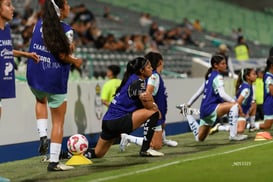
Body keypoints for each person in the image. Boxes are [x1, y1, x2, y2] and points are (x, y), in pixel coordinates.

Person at [26, 0, 82, 171]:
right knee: (58, 122)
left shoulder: (39, 23)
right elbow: (63, 55)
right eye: (67, 4)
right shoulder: (66, 30)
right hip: (55, 79)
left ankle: (42, 134)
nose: (69, 7)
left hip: (35, 75)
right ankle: (54, 161)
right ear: (61, 9)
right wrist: (75, 60)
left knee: (40, 99)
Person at [83, 57, 164, 159]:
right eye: (148, 67)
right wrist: (154, 106)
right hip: (119, 121)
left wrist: (151, 102)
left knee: (97, 153)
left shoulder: (130, 79)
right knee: (154, 113)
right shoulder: (138, 82)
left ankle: (70, 154)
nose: (151, 68)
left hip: (108, 121)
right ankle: (145, 149)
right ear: (141, 71)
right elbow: (148, 106)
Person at [119, 52, 177, 152]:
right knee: (155, 146)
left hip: (158, 109)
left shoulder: (153, 75)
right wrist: (153, 107)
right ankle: (128, 138)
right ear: (160, 62)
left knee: (161, 127)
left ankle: (162, 139)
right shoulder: (154, 76)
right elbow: (148, 93)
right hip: (153, 110)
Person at [183, 54, 246, 141]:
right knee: (234, 106)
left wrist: (188, 104)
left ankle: (188, 114)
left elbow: (198, 93)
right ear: (216, 65)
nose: (225, 65)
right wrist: (234, 102)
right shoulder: (218, 77)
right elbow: (222, 94)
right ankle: (233, 135)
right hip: (211, 108)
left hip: (204, 110)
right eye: (223, 64)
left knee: (199, 138)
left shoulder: (209, 77)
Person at [0, 0, 39, 120]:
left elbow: (5, 50)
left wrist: (26, 55)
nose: (13, 8)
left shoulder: (6, 29)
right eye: (8, 5)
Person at [235, 68, 257, 135]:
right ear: (247, 77)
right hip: (238, 113)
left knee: (254, 104)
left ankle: (252, 126)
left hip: (243, 112)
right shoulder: (246, 88)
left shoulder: (249, 85)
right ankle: (221, 127)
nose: (256, 76)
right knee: (240, 131)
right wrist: (241, 113)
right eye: (253, 74)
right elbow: (237, 103)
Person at [254, 57, 273, 130]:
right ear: (271, 65)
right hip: (270, 103)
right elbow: (272, 92)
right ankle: (250, 125)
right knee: (267, 125)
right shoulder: (269, 77)